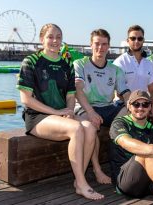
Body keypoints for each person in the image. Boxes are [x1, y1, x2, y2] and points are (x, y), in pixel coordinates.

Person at [17, 23, 103, 200]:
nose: (55, 41)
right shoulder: (31, 62)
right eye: (50, 37)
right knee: (76, 129)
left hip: (61, 115)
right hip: (37, 117)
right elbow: (26, 99)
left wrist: (70, 110)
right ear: (42, 40)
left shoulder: (66, 63)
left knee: (90, 128)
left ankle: (79, 180)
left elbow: (71, 94)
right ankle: (81, 182)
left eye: (58, 37)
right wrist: (55, 112)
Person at [74, 28, 131, 185]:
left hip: (107, 106)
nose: (100, 48)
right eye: (97, 44)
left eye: (104, 44)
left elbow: (125, 93)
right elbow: (78, 91)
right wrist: (91, 112)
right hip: (85, 107)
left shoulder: (115, 70)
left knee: (130, 111)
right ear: (90, 45)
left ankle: (124, 162)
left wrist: (133, 107)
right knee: (91, 125)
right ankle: (97, 170)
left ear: (109, 46)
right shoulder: (80, 64)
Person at [113, 25, 153, 122]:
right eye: (133, 38)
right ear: (128, 40)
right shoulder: (120, 62)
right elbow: (119, 94)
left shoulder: (148, 63)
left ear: (143, 40)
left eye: (139, 38)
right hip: (123, 104)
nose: (136, 41)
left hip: (143, 104)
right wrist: (138, 106)